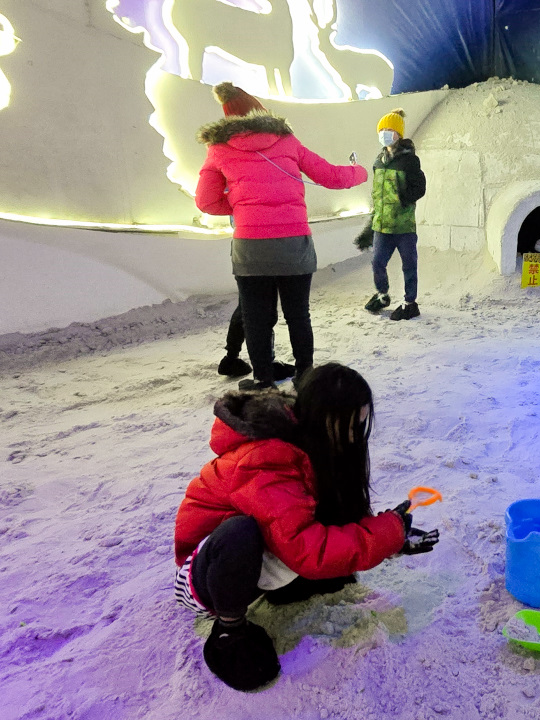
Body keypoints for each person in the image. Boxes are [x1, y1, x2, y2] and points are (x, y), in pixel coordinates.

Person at [173, 364, 440, 691]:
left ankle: (272, 593)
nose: (356, 436)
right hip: (208, 571)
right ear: (323, 415)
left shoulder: (314, 444)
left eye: (361, 424)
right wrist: (387, 534)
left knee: (307, 521)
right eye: (350, 425)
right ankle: (230, 629)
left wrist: (390, 536)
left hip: (261, 556)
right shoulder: (267, 457)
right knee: (242, 533)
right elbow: (307, 549)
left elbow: (318, 523)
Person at [196, 82, 368, 391]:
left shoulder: (218, 149)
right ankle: (305, 376)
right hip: (293, 245)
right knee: (298, 315)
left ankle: (264, 381)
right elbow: (331, 177)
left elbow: (206, 201)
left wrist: (241, 206)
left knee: (257, 319)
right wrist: (359, 171)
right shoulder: (287, 141)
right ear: (262, 112)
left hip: (250, 249)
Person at [357, 108, 427, 321]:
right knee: (378, 262)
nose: (385, 133)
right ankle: (382, 295)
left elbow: (420, 188)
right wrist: (371, 225)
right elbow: (378, 196)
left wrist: (404, 197)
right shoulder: (379, 160)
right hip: (382, 225)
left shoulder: (409, 161)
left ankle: (410, 303)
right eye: (382, 129)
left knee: (409, 265)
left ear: (398, 134)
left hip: (403, 226)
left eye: (389, 129)